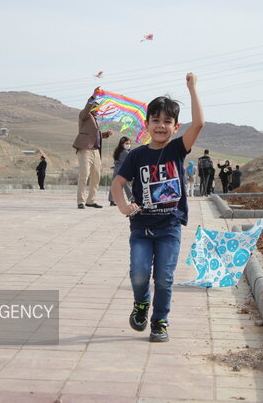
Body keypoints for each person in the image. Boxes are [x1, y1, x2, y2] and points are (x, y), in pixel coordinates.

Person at [111, 73, 204, 343]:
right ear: (147, 124)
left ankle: (160, 320)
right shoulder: (137, 155)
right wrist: (123, 206)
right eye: (156, 120)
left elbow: (199, 123)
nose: (161, 125)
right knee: (139, 273)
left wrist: (192, 88)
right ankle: (141, 304)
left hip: (170, 227)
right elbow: (117, 184)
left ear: (176, 127)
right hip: (141, 227)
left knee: (164, 277)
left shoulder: (177, 149)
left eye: (167, 121)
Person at [72, 87, 113, 209]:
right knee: (84, 174)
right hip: (85, 149)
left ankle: (91, 200)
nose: (98, 109)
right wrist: (93, 96)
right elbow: (87, 108)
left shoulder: (96, 120)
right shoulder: (84, 116)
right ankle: (81, 201)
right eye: (96, 106)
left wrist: (105, 134)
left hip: (95, 151)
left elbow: (95, 135)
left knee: (96, 176)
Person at [108, 136, 133, 206]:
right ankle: (132, 199)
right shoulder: (125, 152)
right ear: (122, 144)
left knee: (114, 185)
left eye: (129, 143)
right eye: (126, 143)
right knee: (127, 185)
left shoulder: (118, 151)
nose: (128, 145)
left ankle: (112, 200)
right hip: (123, 172)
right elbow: (131, 159)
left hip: (117, 170)